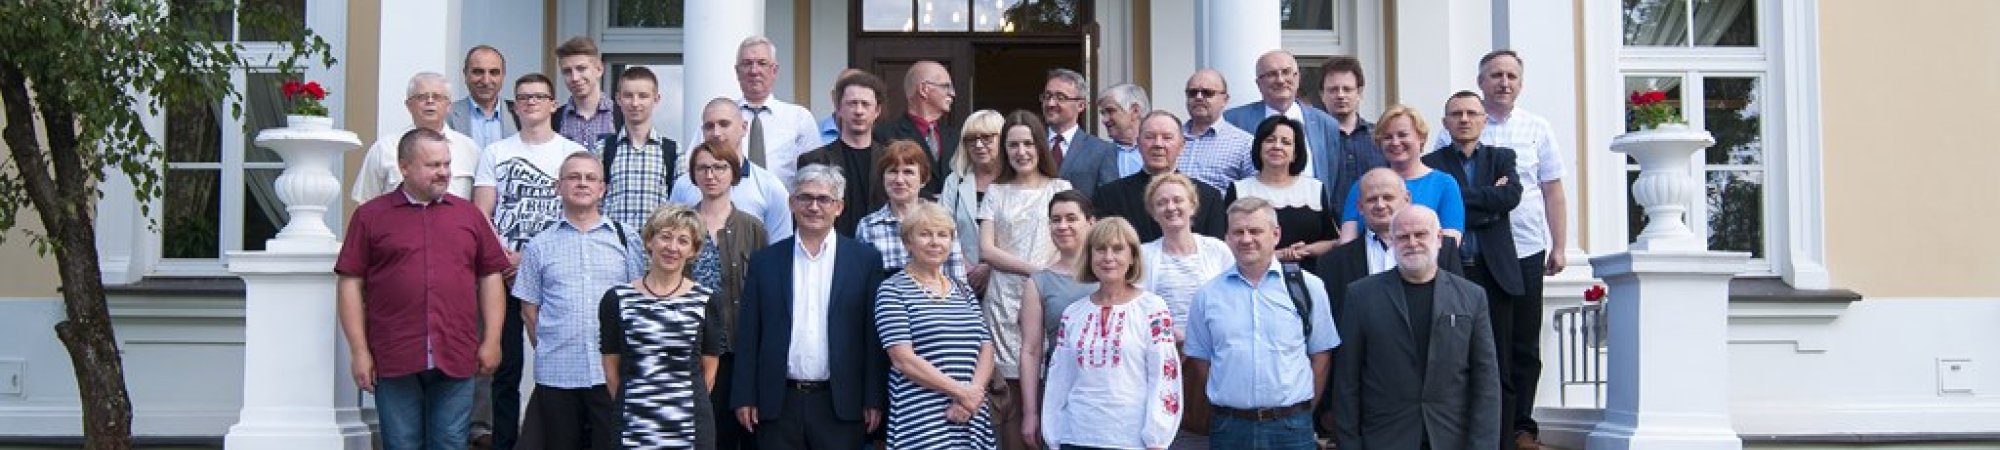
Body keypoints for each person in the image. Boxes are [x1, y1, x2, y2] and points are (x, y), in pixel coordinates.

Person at [336, 128, 508, 450]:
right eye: (433, 165)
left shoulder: (468, 216)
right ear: (404, 167)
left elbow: (490, 277)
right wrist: (359, 351)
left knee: (450, 442)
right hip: (394, 352)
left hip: (456, 351)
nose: (443, 172)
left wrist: (492, 339)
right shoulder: (370, 217)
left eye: (446, 164)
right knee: (401, 443)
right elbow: (350, 283)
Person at [1437, 50, 1570, 449]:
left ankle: (1521, 427)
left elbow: (1551, 190)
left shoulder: (1537, 128)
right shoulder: (1453, 130)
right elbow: (1446, 193)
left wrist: (1560, 245)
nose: (1504, 82)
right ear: (1481, 82)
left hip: (1525, 249)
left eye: (1511, 76)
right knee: (1477, 341)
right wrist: (1491, 199)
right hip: (1472, 250)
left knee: (1522, 343)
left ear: (1521, 83)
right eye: (1495, 75)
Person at [731, 164, 888, 450]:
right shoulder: (765, 261)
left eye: (823, 199)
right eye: (805, 197)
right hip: (778, 404)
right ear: (792, 203)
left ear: (839, 207)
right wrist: (745, 395)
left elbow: (872, 337)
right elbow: (749, 334)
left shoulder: (865, 261)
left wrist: (873, 398)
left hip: (842, 404)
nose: (814, 207)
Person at [473, 74, 590, 450]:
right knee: (505, 369)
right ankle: (505, 443)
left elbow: (579, 209)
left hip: (555, 273)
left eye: (539, 96)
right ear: (515, 105)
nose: (531, 102)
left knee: (557, 360)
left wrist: (531, 256)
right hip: (503, 274)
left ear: (553, 104)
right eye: (523, 97)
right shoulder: (495, 152)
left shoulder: (571, 152)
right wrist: (505, 259)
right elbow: (482, 213)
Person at [1331, 205, 1501, 450]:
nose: (1412, 243)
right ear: (1392, 242)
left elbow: (1486, 382)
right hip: (1384, 439)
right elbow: (1347, 381)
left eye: (1420, 234)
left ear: (1439, 239)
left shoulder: (1472, 297)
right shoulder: (1361, 296)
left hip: (1452, 439)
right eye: (1402, 237)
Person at [511, 152, 643, 449]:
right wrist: (552, 346)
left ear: (602, 188)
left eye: (590, 178)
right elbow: (529, 310)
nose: (582, 183)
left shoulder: (626, 239)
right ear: (558, 186)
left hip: (610, 372)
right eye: (573, 177)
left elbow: (637, 301)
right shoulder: (539, 245)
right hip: (558, 373)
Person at [1185, 197, 1339, 450]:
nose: (1246, 239)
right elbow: (1201, 360)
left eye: (1255, 231)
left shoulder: (1308, 287)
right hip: (1230, 428)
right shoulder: (1207, 295)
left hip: (1291, 428)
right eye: (1238, 232)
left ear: (1276, 234)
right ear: (1227, 238)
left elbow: (1321, 356)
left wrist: (1302, 411)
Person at [1427, 89, 1530, 449]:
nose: (1464, 119)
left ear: (1484, 120)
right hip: (1452, 271)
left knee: (1498, 362)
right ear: (1445, 122)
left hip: (1494, 271)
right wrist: (1488, 203)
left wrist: (1458, 200)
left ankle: (1501, 441)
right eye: (1456, 114)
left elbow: (1510, 197)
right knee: (1452, 361)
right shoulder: (1432, 163)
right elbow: (1441, 206)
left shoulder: (1502, 157)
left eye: (1472, 113)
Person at [1038, 218, 1182, 450]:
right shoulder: (1073, 314)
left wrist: (1157, 437)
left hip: (1131, 440)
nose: (1108, 257)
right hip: (1075, 437)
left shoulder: (1152, 308)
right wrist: (1053, 435)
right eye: (1100, 249)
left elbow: (1164, 374)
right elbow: (1059, 379)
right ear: (1089, 256)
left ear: (1132, 256)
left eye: (1117, 249)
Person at [977, 110, 1073, 450]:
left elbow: (1072, 242)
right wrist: (1037, 272)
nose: (1021, 152)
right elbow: (987, 250)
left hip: (1052, 297)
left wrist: (1047, 279)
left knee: (1053, 384)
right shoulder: (996, 192)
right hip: (1004, 302)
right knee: (1012, 397)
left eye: (1028, 143)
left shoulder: (1060, 188)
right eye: (1013, 145)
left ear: (1040, 146)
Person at [600, 205, 726, 449]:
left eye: (683, 241)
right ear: (649, 240)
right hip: (633, 426)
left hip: (689, 428)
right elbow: (611, 369)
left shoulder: (707, 300)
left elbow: (708, 373)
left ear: (693, 250)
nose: (672, 247)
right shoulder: (617, 299)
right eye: (665, 237)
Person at [874, 201, 998, 449]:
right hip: (922, 419)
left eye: (942, 235)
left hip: (970, 414)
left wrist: (971, 396)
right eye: (925, 234)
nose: (935, 242)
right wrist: (961, 393)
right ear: (908, 242)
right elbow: (903, 359)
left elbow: (986, 347)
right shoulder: (892, 290)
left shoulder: (963, 290)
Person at [680, 138, 769, 450]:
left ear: (734, 173)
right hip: (691, 350)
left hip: (738, 349)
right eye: (703, 168)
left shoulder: (752, 228)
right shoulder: (680, 224)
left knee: (741, 435)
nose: (711, 175)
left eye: (719, 167)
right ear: (693, 175)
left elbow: (764, 293)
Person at [1134, 173, 1231, 436]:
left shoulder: (1217, 250)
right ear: (1153, 213)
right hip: (1166, 355)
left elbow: (1232, 301)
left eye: (1178, 200)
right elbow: (1138, 307)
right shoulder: (1143, 254)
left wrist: (1199, 342)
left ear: (1192, 205)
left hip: (1213, 357)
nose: (1171, 207)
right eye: (1161, 202)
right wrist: (1173, 334)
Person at [1314, 168, 1466, 315]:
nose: (1380, 205)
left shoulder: (1442, 249)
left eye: (1388, 197)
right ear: (1360, 207)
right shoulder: (1333, 263)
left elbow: (1459, 307)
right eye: (1372, 199)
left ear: (1407, 199)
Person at [1015, 190, 1095, 448]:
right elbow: (1030, 351)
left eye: (1071, 218)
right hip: (1063, 392)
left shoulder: (1113, 272)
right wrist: (1030, 412)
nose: (1062, 226)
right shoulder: (1039, 282)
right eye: (1055, 220)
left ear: (1090, 222)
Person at [1222, 50, 1352, 197]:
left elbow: (1333, 178)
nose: (1280, 80)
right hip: (1253, 207)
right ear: (1259, 83)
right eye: (1271, 74)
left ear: (1297, 77)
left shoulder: (1326, 124)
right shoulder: (1234, 120)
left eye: (1286, 72)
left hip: (1309, 206)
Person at [670, 97, 796, 244]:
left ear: (744, 127)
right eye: (709, 126)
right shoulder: (684, 184)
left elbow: (780, 247)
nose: (716, 133)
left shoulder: (769, 186)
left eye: (724, 124)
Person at [1090, 111, 1228, 242]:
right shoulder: (1109, 196)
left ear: (1182, 146)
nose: (1158, 144)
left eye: (1167, 138)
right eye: (1150, 137)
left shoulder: (1208, 197)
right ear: (1138, 143)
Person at [1222, 116, 1339, 269]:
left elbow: (1332, 241)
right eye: (1270, 140)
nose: (1277, 146)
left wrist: (1305, 250)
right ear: (1259, 148)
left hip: (1309, 273)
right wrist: (1277, 255)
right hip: (1253, 273)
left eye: (1286, 142)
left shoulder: (1315, 188)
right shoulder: (1239, 190)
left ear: (1295, 153)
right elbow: (1225, 242)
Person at [1336, 105, 1465, 242]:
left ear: (1420, 137)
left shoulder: (1444, 184)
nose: (1395, 142)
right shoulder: (1363, 185)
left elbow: (1450, 242)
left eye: (1403, 135)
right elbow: (1347, 241)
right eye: (1387, 137)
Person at [352, 72, 483, 203]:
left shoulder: (469, 149)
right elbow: (366, 202)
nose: (430, 101)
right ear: (408, 105)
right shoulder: (384, 149)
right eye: (422, 97)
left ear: (449, 106)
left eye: (437, 97)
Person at [857, 141, 968, 278]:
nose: (899, 180)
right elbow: (862, 280)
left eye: (908, 172)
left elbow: (959, 281)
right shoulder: (868, 226)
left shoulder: (942, 222)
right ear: (883, 178)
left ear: (923, 179)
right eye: (893, 171)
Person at [797, 70, 889, 236]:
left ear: (877, 111)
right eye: (852, 103)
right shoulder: (814, 160)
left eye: (865, 104)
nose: (859, 111)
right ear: (838, 108)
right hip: (831, 245)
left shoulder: (889, 160)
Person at [599, 66, 682, 229]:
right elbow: (593, 202)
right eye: (628, 96)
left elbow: (681, 207)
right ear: (618, 99)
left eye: (643, 96)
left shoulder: (673, 152)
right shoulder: (603, 150)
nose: (635, 103)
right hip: (613, 242)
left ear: (656, 99)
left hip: (656, 243)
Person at [734, 36, 821, 186]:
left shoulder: (799, 118)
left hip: (786, 200)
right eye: (747, 63)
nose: (754, 71)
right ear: (737, 71)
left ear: (774, 70)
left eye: (762, 63)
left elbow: (815, 174)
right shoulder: (719, 119)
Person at [938, 109, 1005, 300]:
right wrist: (966, 268)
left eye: (987, 138)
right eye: (971, 139)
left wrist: (990, 266)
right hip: (961, 281)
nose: (978, 145)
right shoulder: (955, 181)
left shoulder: (1015, 182)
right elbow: (942, 228)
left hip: (1005, 281)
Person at [875, 61, 959, 197]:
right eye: (946, 86)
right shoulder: (885, 135)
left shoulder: (956, 137)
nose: (952, 93)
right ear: (924, 89)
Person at [1314, 56, 1387, 211]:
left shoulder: (1380, 137)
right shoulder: (1312, 140)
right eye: (1333, 90)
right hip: (1327, 224)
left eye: (1347, 89)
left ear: (1359, 93)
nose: (1340, 95)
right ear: (1322, 94)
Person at [1041, 68, 1120, 197]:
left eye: (1060, 97)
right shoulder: (1030, 144)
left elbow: (1109, 200)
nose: (1050, 103)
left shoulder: (1102, 151)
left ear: (1081, 105)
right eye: (1047, 96)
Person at [1176, 69, 1258, 191]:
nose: (1199, 97)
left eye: (1207, 92)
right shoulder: (1169, 139)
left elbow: (1253, 192)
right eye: (1192, 92)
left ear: (1225, 99)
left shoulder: (1245, 144)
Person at [552, 36, 620, 148]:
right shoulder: (554, 119)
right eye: (567, 71)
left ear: (599, 69)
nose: (575, 78)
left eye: (581, 68)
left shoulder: (621, 116)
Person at [450, 45, 519, 150]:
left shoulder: (520, 113)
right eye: (478, 72)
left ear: (503, 75)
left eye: (494, 72)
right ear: (465, 74)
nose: (486, 81)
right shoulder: (447, 115)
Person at [1097, 82, 1150, 178]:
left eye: (1110, 111)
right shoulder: (1099, 153)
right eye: (1103, 113)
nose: (1104, 120)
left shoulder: (1157, 151)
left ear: (1135, 111)